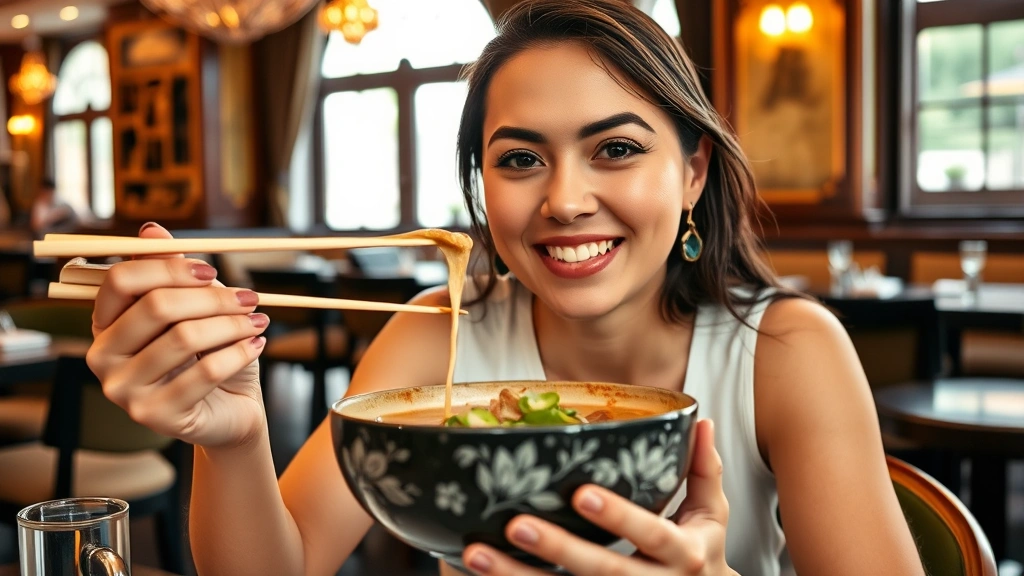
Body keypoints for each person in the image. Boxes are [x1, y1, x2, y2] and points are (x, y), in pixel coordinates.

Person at [85, 1, 924, 574]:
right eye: (520, 159)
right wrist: (231, 437)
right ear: (484, 186)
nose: (563, 200)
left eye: (617, 149)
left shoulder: (783, 350)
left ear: (694, 171)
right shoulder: (438, 333)